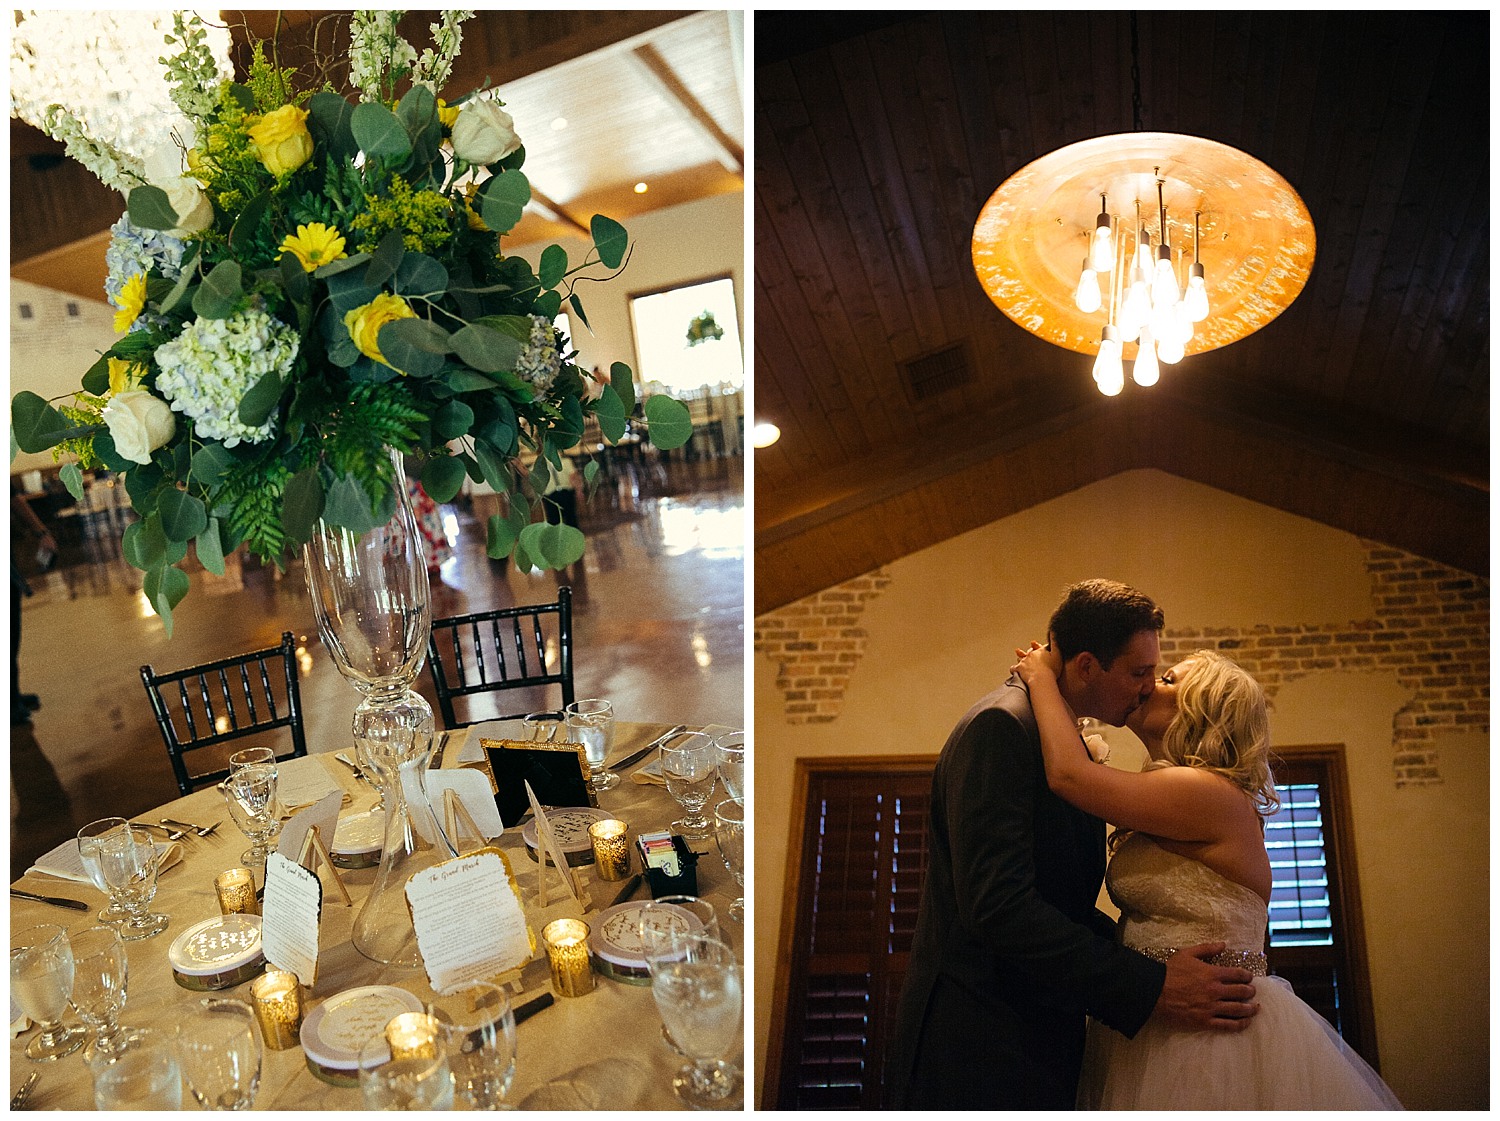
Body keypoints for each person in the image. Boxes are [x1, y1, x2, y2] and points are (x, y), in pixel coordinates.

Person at [885, 579, 1259, 1109]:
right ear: (1087, 666)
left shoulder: (1063, 744)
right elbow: (999, 906)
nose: (1147, 686)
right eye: (1138, 671)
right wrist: (1149, 983)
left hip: (1043, 1038)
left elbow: (1064, 904)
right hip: (983, 1045)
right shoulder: (1004, 727)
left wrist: (1152, 971)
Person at [1011, 640, 1404, 1109]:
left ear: (1205, 714)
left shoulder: (1205, 792)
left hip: (1210, 1038)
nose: (1149, 684)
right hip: (1158, 1016)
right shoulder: (1172, 789)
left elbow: (1070, 777)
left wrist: (1039, 680)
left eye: (1169, 680)